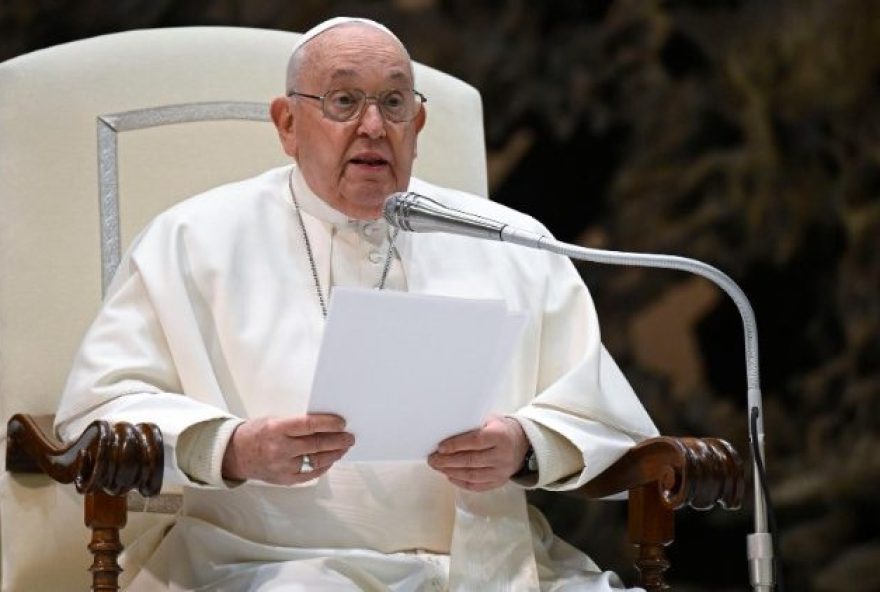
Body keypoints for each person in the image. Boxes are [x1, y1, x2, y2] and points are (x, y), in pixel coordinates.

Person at [55, 16, 657, 592]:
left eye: (394, 104)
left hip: (494, 567)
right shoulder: (193, 239)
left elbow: (601, 415)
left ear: (417, 125)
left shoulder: (509, 241)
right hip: (267, 565)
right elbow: (99, 408)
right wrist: (234, 448)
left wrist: (524, 445)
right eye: (344, 102)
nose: (373, 126)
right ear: (288, 123)